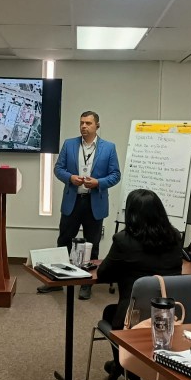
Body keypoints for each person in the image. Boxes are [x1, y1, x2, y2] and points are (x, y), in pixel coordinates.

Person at [96, 189, 183, 380]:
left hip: (133, 317)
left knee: (110, 313)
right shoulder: (175, 237)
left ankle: (123, 366)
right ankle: (124, 367)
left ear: (131, 214)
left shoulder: (123, 240)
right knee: (112, 311)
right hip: (168, 315)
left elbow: (103, 274)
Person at [38, 111, 121, 300]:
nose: (84, 126)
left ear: (97, 126)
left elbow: (115, 175)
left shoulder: (109, 148)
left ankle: (86, 284)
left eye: (88, 123)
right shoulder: (69, 144)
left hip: (95, 203)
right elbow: (58, 169)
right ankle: (58, 280)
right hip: (73, 201)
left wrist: (98, 182)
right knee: (64, 241)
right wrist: (70, 178)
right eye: (82, 123)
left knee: (92, 245)